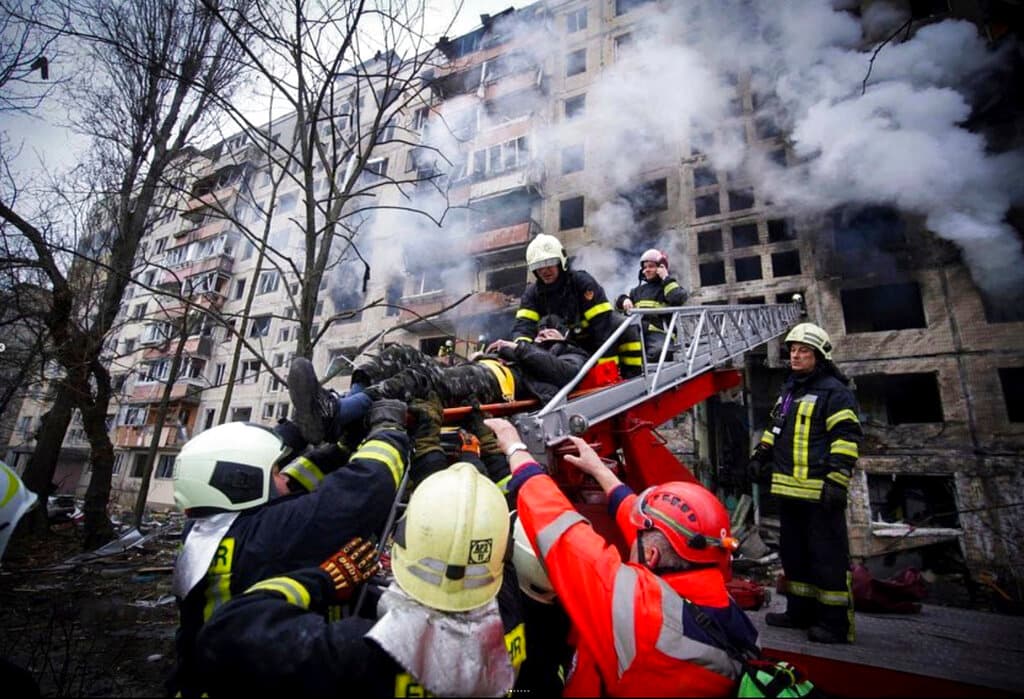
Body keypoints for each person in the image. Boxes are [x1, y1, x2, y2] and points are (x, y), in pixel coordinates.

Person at [194, 462, 525, 697]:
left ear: (403, 538)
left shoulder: (357, 652)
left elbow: (227, 630)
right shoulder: (515, 616)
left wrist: (323, 580)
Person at [485, 417, 759, 696]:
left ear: (651, 555)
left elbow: (563, 533)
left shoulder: (639, 613)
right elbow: (643, 525)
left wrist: (515, 449)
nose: (633, 530)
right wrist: (600, 472)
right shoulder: (717, 598)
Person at [169, 402, 409, 698]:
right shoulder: (270, 534)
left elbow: (291, 487)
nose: (285, 477)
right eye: (275, 472)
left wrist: (343, 447)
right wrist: (388, 429)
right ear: (242, 482)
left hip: (208, 677)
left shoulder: (204, 528)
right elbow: (366, 487)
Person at [288, 314, 589, 448]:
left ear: (563, 335)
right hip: (480, 371)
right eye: (540, 330)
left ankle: (339, 413)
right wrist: (487, 354)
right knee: (399, 354)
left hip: (500, 385)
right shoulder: (527, 349)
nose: (543, 333)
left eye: (550, 330)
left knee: (422, 378)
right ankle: (339, 408)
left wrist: (517, 349)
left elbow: (566, 375)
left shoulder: (570, 353)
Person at [747, 322, 861, 644]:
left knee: (827, 558)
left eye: (804, 351)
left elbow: (846, 438)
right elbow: (775, 427)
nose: (795, 356)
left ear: (819, 356)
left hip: (820, 492)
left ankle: (836, 624)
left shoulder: (835, 392)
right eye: (793, 350)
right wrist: (761, 455)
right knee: (794, 556)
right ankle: (800, 612)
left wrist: (836, 481)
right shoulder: (790, 390)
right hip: (788, 490)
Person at [499, 233, 643, 378]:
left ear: (561, 261)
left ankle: (632, 375)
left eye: (549, 263)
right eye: (538, 266)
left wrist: (606, 371)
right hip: (557, 348)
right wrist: (520, 348)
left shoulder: (582, 283)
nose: (544, 270)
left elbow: (602, 326)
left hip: (590, 340)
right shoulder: (532, 294)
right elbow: (523, 327)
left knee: (624, 325)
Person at [615, 248, 688, 362]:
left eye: (651, 266)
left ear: (661, 267)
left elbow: (678, 298)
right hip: (638, 332)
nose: (646, 270)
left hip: (660, 334)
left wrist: (666, 278)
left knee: (659, 352)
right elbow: (617, 305)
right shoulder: (637, 291)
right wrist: (624, 300)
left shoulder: (668, 287)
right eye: (644, 267)